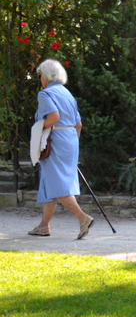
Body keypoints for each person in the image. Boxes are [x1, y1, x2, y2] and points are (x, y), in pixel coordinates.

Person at [28, 59, 94, 239]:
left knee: (58, 185)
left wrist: (39, 129)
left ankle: (83, 218)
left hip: (56, 140)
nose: (40, 78)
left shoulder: (45, 94)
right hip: (71, 139)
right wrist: (72, 148)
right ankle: (44, 226)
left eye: (40, 75)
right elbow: (78, 124)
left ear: (47, 76)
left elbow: (54, 117)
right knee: (50, 181)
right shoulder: (67, 94)